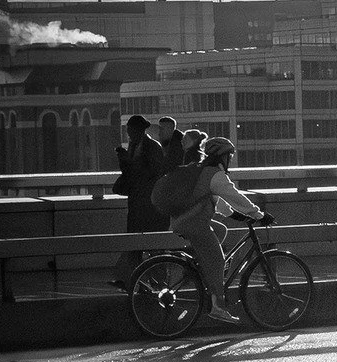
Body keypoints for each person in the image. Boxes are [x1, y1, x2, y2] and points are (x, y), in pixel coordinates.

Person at [167, 131, 266, 324]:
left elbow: (219, 203)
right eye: (229, 156)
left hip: (185, 219)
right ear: (221, 156)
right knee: (218, 260)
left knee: (221, 230)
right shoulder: (216, 175)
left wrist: (238, 216)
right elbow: (235, 196)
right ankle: (218, 306)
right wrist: (257, 214)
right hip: (193, 223)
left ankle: (202, 267)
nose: (230, 159)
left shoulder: (203, 172)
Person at [110, 113, 167, 292]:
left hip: (150, 206)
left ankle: (158, 283)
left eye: (130, 130)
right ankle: (132, 281)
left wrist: (129, 163)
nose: (128, 134)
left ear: (138, 130)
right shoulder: (135, 146)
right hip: (137, 204)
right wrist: (125, 161)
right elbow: (133, 173)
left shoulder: (152, 147)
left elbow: (153, 173)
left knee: (153, 246)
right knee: (134, 244)